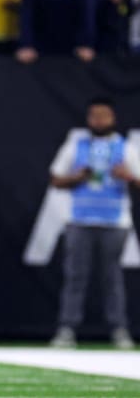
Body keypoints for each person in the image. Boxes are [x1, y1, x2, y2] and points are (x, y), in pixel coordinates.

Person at [47, 97, 137, 350]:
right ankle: (67, 329)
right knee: (75, 277)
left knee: (113, 278)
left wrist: (127, 176)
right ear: (88, 119)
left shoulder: (125, 147)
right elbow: (55, 180)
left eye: (104, 116)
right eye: (94, 116)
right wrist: (76, 177)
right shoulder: (76, 146)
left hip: (115, 221)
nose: (99, 120)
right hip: (79, 219)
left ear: (113, 118)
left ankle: (119, 330)